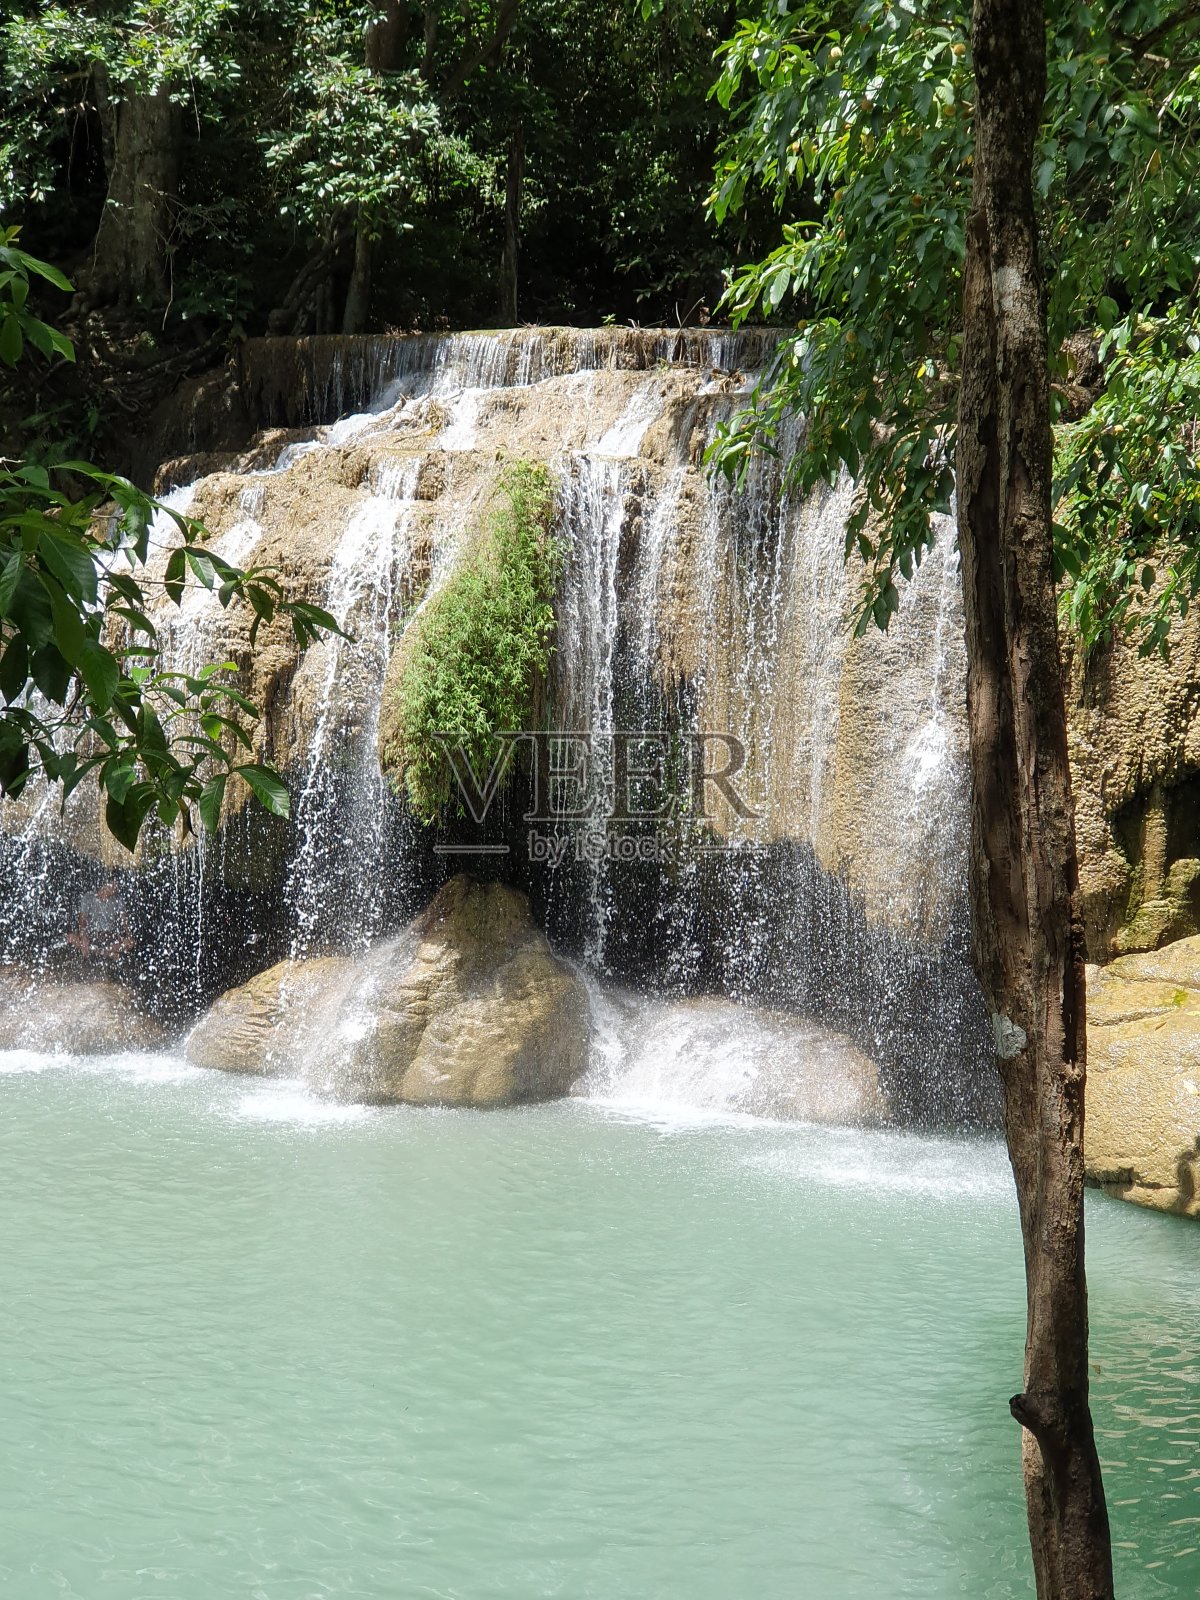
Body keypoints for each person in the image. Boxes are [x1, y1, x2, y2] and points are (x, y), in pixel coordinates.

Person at [65, 882, 134, 971]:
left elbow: (124, 919)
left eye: (116, 887)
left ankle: (99, 952)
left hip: (110, 935)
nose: (115, 889)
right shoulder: (89, 897)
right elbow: (82, 920)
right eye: (113, 886)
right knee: (70, 938)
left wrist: (128, 935)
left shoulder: (118, 899)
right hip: (92, 935)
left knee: (130, 942)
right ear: (104, 885)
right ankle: (107, 954)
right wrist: (83, 936)